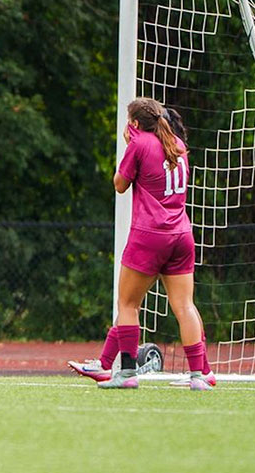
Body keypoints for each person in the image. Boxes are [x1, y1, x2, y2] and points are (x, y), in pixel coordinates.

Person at [68, 98, 214, 390]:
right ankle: (201, 375)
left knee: (128, 303)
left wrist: (129, 144)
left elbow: (120, 185)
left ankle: (126, 373)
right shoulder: (177, 143)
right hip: (181, 234)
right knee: (185, 305)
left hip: (150, 235)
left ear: (134, 123)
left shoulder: (139, 144)